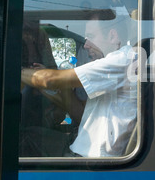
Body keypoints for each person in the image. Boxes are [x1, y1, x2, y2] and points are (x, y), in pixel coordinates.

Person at [21, 11, 137, 157]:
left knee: (26, 137)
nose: (86, 44)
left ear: (112, 36)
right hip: (83, 151)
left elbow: (49, 80)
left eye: (91, 37)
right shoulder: (116, 68)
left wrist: (15, 72)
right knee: (33, 134)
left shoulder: (122, 60)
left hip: (93, 160)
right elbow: (81, 115)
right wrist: (59, 84)